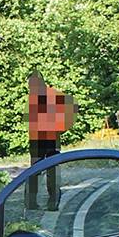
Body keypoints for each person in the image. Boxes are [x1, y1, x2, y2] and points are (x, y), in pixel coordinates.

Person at [26, 73, 75, 210]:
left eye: (32, 85)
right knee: (36, 171)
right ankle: (32, 202)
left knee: (50, 171)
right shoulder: (33, 99)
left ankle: (52, 201)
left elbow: (69, 111)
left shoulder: (54, 96)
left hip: (50, 138)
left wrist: (61, 128)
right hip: (37, 139)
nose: (31, 88)